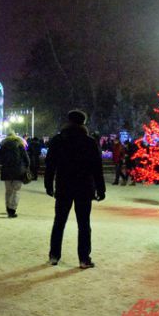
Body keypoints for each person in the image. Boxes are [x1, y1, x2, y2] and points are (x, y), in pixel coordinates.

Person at [45, 110, 105, 269]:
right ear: (83, 123)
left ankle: (54, 255)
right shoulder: (89, 142)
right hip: (84, 186)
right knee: (84, 224)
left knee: (59, 222)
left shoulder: (59, 140)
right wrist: (101, 188)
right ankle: (84, 258)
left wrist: (48, 183)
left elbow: (50, 164)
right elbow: (97, 168)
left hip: (64, 185)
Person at [0, 130, 30, 218]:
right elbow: (26, 158)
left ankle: (8, 207)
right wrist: (26, 166)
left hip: (6, 171)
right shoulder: (19, 144)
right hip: (18, 171)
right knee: (16, 191)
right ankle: (12, 209)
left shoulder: (3, 145)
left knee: (8, 191)